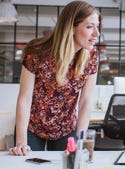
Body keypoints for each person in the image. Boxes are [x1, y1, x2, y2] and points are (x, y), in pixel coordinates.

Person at [9, 0, 100, 156]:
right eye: (89, 27)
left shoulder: (91, 57)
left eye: (97, 26)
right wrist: (20, 142)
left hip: (66, 129)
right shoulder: (36, 52)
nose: (96, 34)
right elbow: (25, 98)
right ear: (71, 28)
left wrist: (80, 140)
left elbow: (85, 101)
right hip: (32, 128)